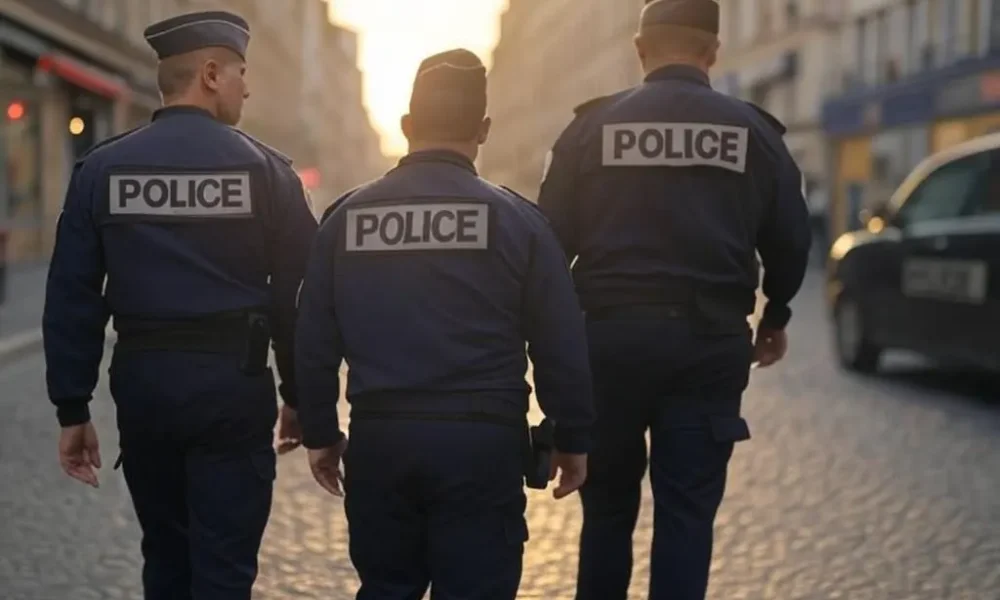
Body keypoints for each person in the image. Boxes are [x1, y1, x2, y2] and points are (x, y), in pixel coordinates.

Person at [294, 49, 596, 599]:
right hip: (483, 444)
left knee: (386, 587)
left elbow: (312, 340)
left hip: (382, 438)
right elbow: (560, 343)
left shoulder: (346, 219)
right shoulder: (519, 222)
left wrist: (320, 434)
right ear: (483, 129)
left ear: (407, 127)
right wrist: (571, 437)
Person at [536, 1, 812, 599]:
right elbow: (792, 237)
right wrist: (777, 314)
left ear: (640, 50)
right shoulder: (753, 132)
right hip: (707, 345)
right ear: (713, 53)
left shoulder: (590, 128)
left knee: (606, 512)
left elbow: (547, 245)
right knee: (687, 516)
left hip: (607, 342)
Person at [42, 10, 317, 599]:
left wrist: (72, 407)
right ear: (212, 74)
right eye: (242, 72)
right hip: (232, 387)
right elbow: (301, 298)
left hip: (145, 390)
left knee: (165, 558)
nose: (248, 85)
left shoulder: (102, 169)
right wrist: (300, 397)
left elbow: (72, 295)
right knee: (224, 566)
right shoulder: (267, 172)